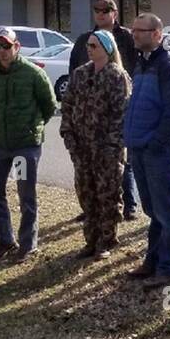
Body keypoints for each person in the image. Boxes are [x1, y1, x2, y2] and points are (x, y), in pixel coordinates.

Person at [0, 26, 57, 264]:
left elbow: (49, 105)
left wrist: (32, 127)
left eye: (7, 46)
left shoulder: (33, 73)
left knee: (25, 193)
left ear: (17, 47)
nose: (2, 51)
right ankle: (5, 240)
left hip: (25, 145)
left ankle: (27, 244)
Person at [123, 13, 170, 288]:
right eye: (133, 30)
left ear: (156, 34)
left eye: (140, 30)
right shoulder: (143, 62)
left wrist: (157, 144)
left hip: (158, 150)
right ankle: (153, 260)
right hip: (140, 147)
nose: (134, 35)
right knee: (153, 209)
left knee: (167, 210)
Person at [60, 29, 131, 259]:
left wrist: (110, 147)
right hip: (82, 150)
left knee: (107, 195)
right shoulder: (80, 74)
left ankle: (106, 240)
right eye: (88, 45)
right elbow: (67, 107)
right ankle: (91, 239)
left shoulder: (117, 76)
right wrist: (70, 138)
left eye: (94, 46)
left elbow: (122, 115)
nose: (89, 49)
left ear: (107, 49)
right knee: (86, 194)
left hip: (107, 151)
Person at [71, 0, 139, 219]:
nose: (100, 14)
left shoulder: (127, 37)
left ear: (114, 13)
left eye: (105, 10)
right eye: (97, 10)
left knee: (120, 161)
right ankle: (91, 207)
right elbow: (75, 72)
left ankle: (127, 204)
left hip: (118, 104)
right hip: (89, 112)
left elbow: (137, 67)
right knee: (88, 165)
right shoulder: (85, 39)